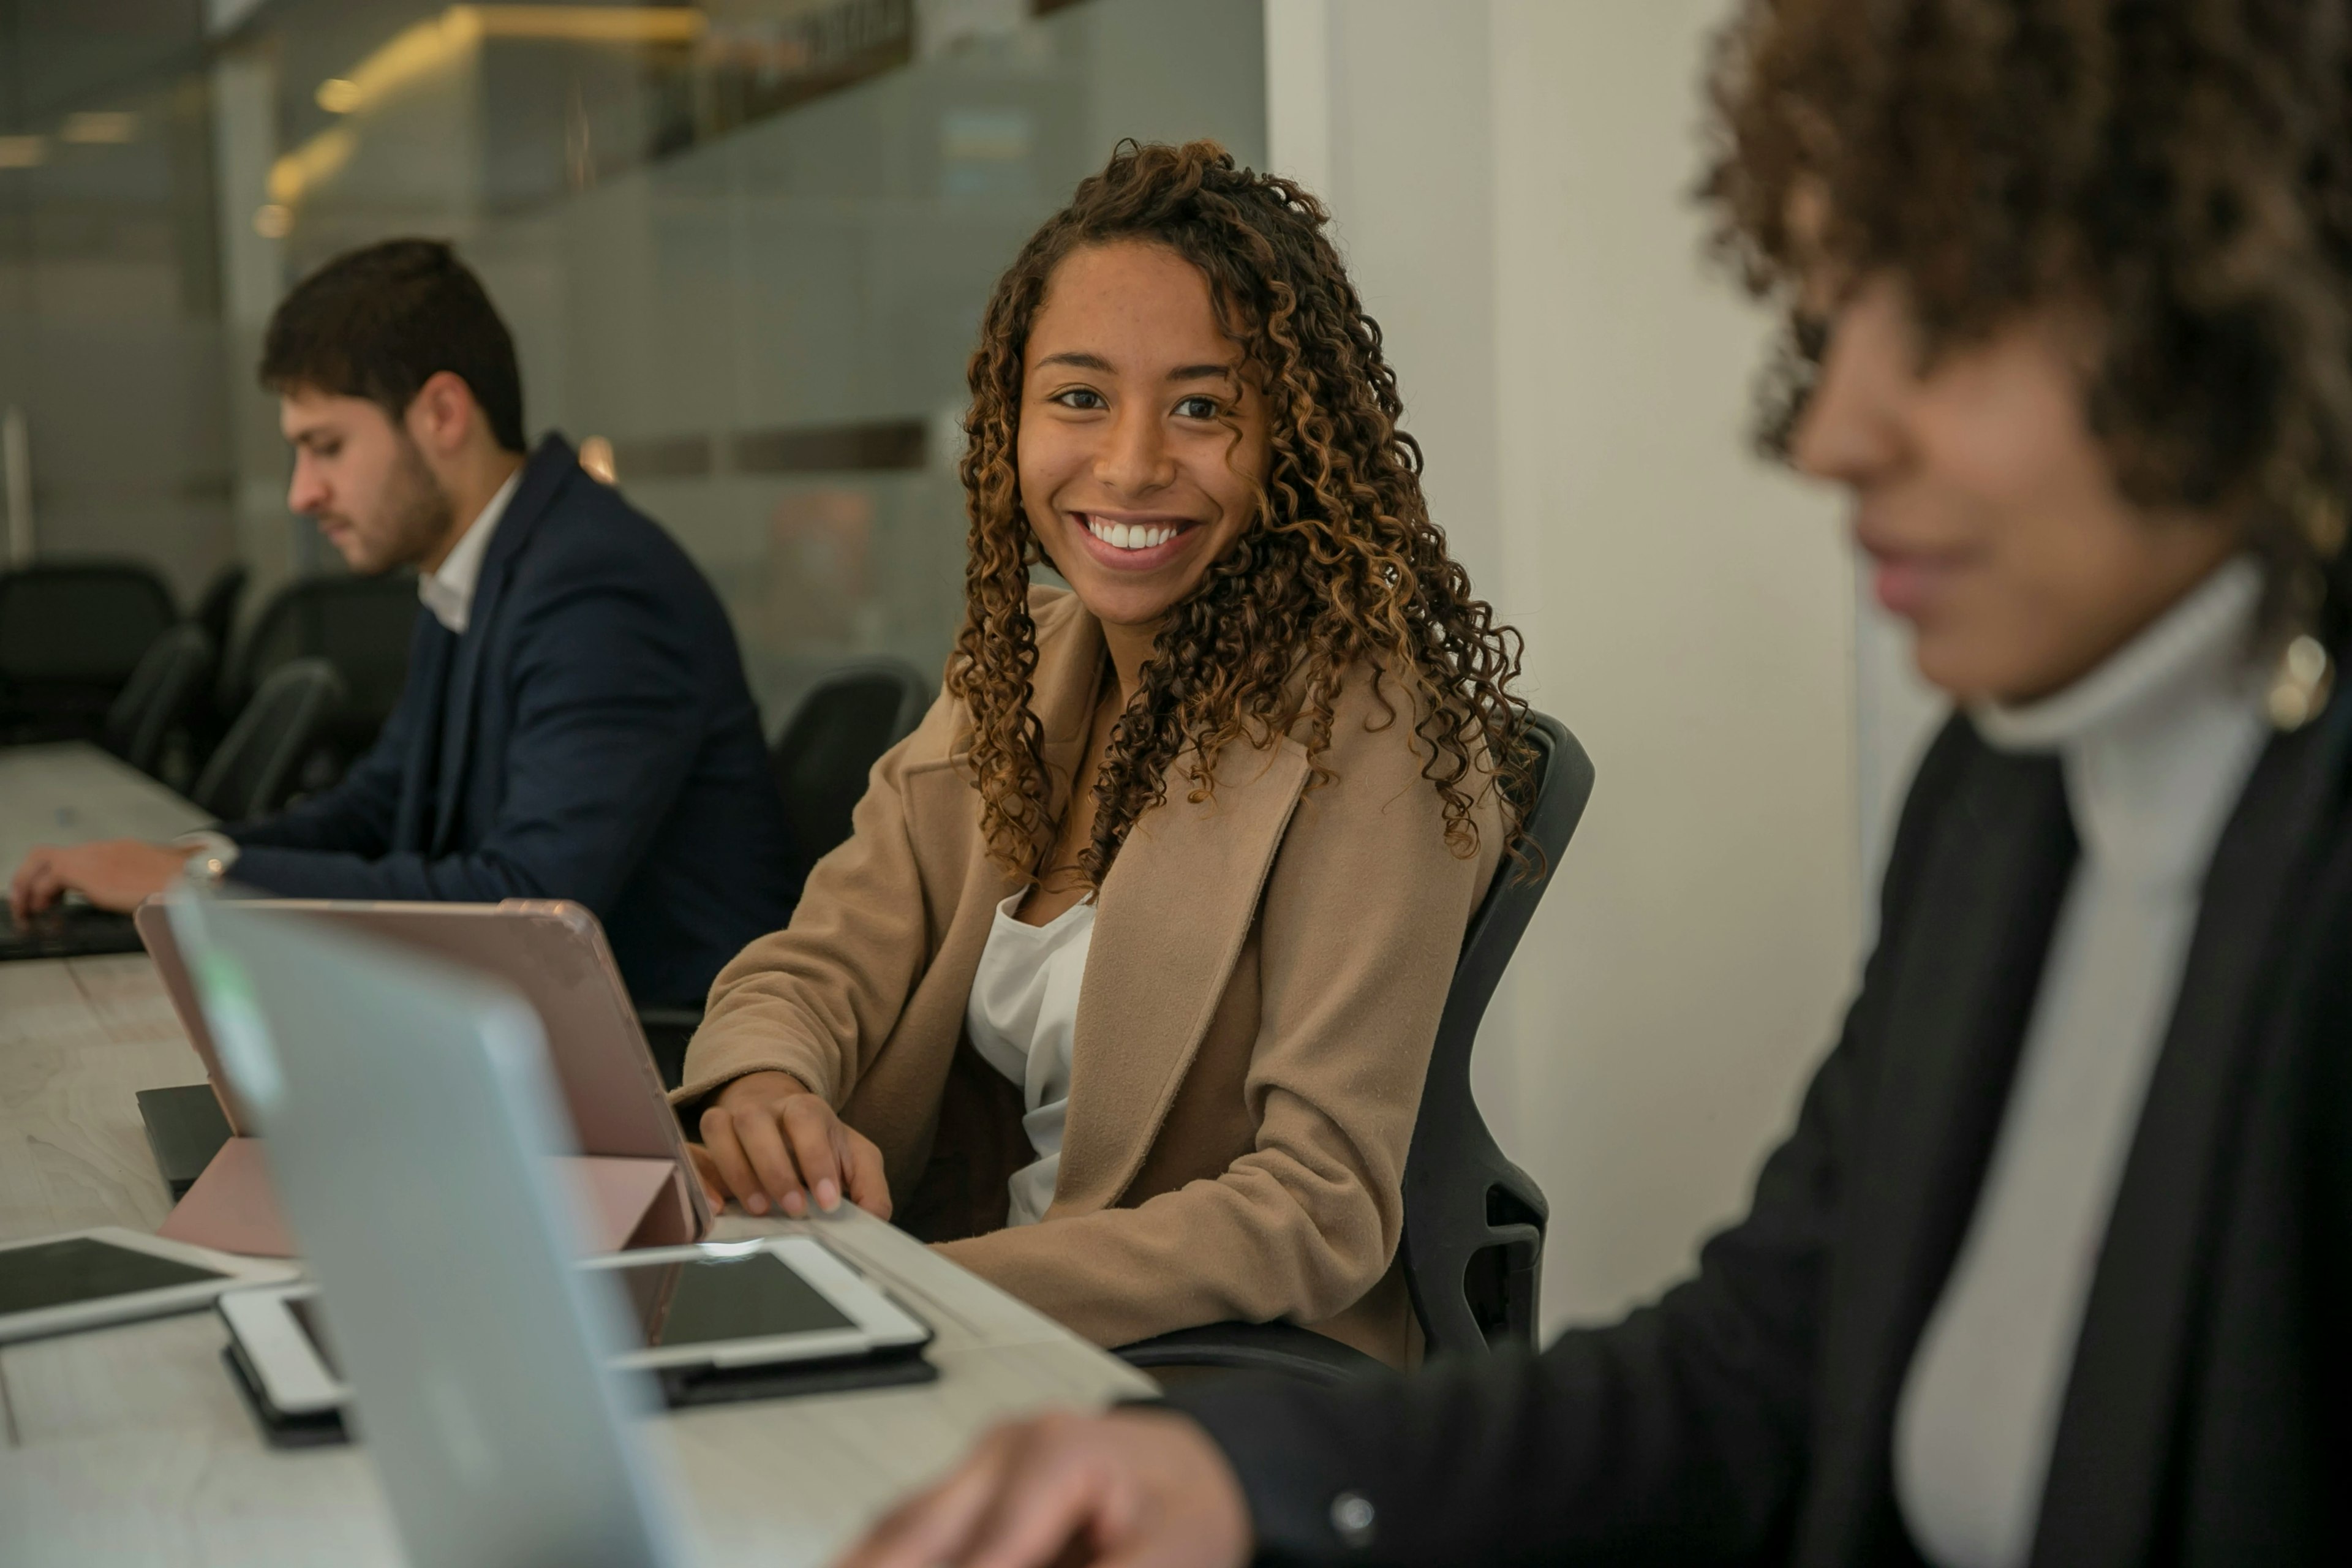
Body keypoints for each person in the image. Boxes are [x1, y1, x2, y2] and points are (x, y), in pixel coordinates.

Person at [833, 2, 2352, 1564]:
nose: (1826, 434)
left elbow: (1320, 1205)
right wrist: (1241, 1472)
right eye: (1832, 332)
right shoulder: (2010, 792)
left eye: (1950, 333)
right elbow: (1752, 1373)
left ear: (2238, 305)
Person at [677, 140, 1529, 1363]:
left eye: (1202, 406)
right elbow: (824, 955)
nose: (1130, 464)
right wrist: (764, 1083)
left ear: (1292, 434)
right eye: (1079, 396)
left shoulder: (1374, 741)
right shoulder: (1023, 663)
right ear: (1010, 421)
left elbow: (1318, 1204)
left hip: (1190, 1371)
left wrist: (929, 1293)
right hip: (958, 1321)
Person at [6, 239, 796, 1007]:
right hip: (533, 1022)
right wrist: (198, 858)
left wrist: (197, 885)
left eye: (327, 447)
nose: (302, 494)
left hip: (662, 1064)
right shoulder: (485, 564)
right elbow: (381, 807)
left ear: (442, 414)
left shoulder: (596, 588)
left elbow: (528, 905)